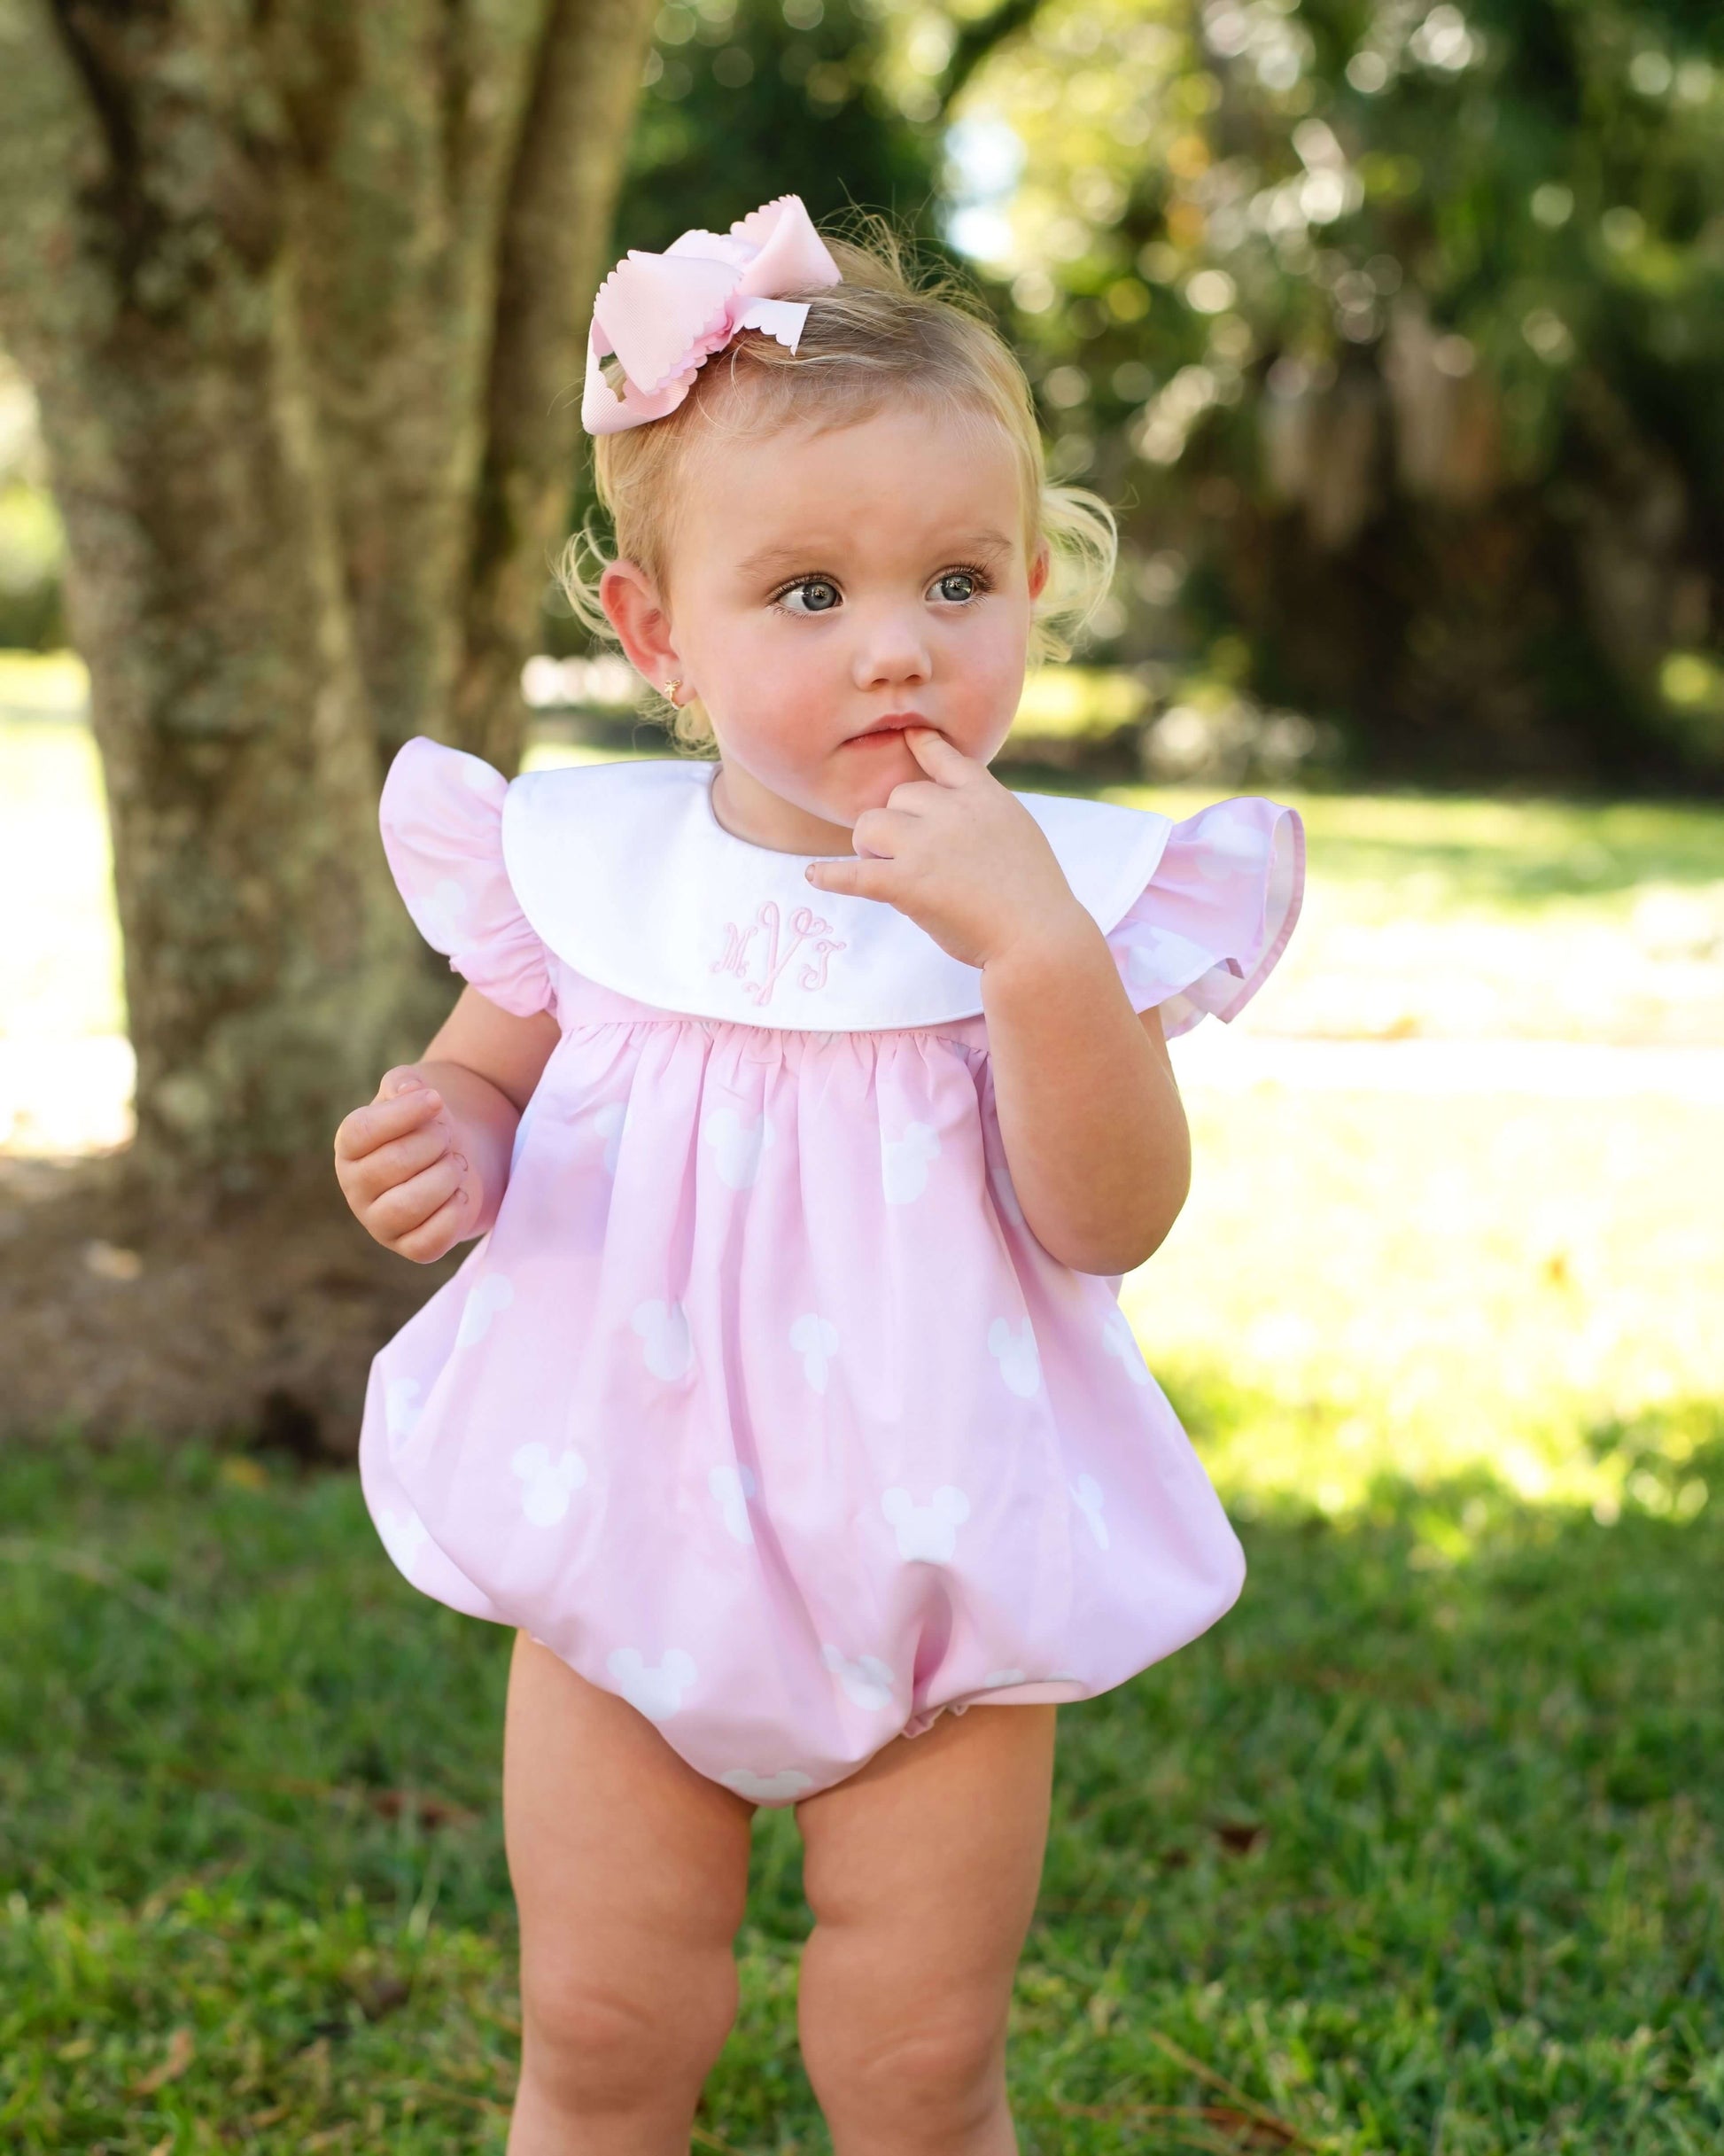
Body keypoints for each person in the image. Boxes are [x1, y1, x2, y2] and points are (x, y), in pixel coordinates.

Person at [333, 196, 1303, 2156]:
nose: (894, 650)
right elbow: (482, 1077)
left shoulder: (1063, 908)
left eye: (956, 582)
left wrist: (1029, 949)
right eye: (805, 594)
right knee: (603, 2034)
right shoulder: (584, 877)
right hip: (619, 1546)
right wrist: (448, 1128)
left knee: (915, 2065)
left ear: (1035, 585)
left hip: (933, 1576)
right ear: (654, 631)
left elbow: (1109, 1218)